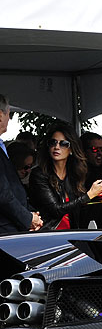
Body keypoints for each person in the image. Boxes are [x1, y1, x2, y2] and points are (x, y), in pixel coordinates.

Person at [29, 122, 102, 229]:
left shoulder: (75, 172)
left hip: (72, 233)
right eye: (53, 142)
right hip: (49, 233)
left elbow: (82, 207)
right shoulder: (39, 174)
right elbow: (56, 210)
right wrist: (90, 195)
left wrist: (100, 194)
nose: (56, 147)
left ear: (71, 149)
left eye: (63, 144)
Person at [0, 96, 41, 233]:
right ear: (1, 115)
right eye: (9, 114)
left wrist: (31, 215)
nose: (9, 119)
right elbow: (3, 194)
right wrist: (28, 219)